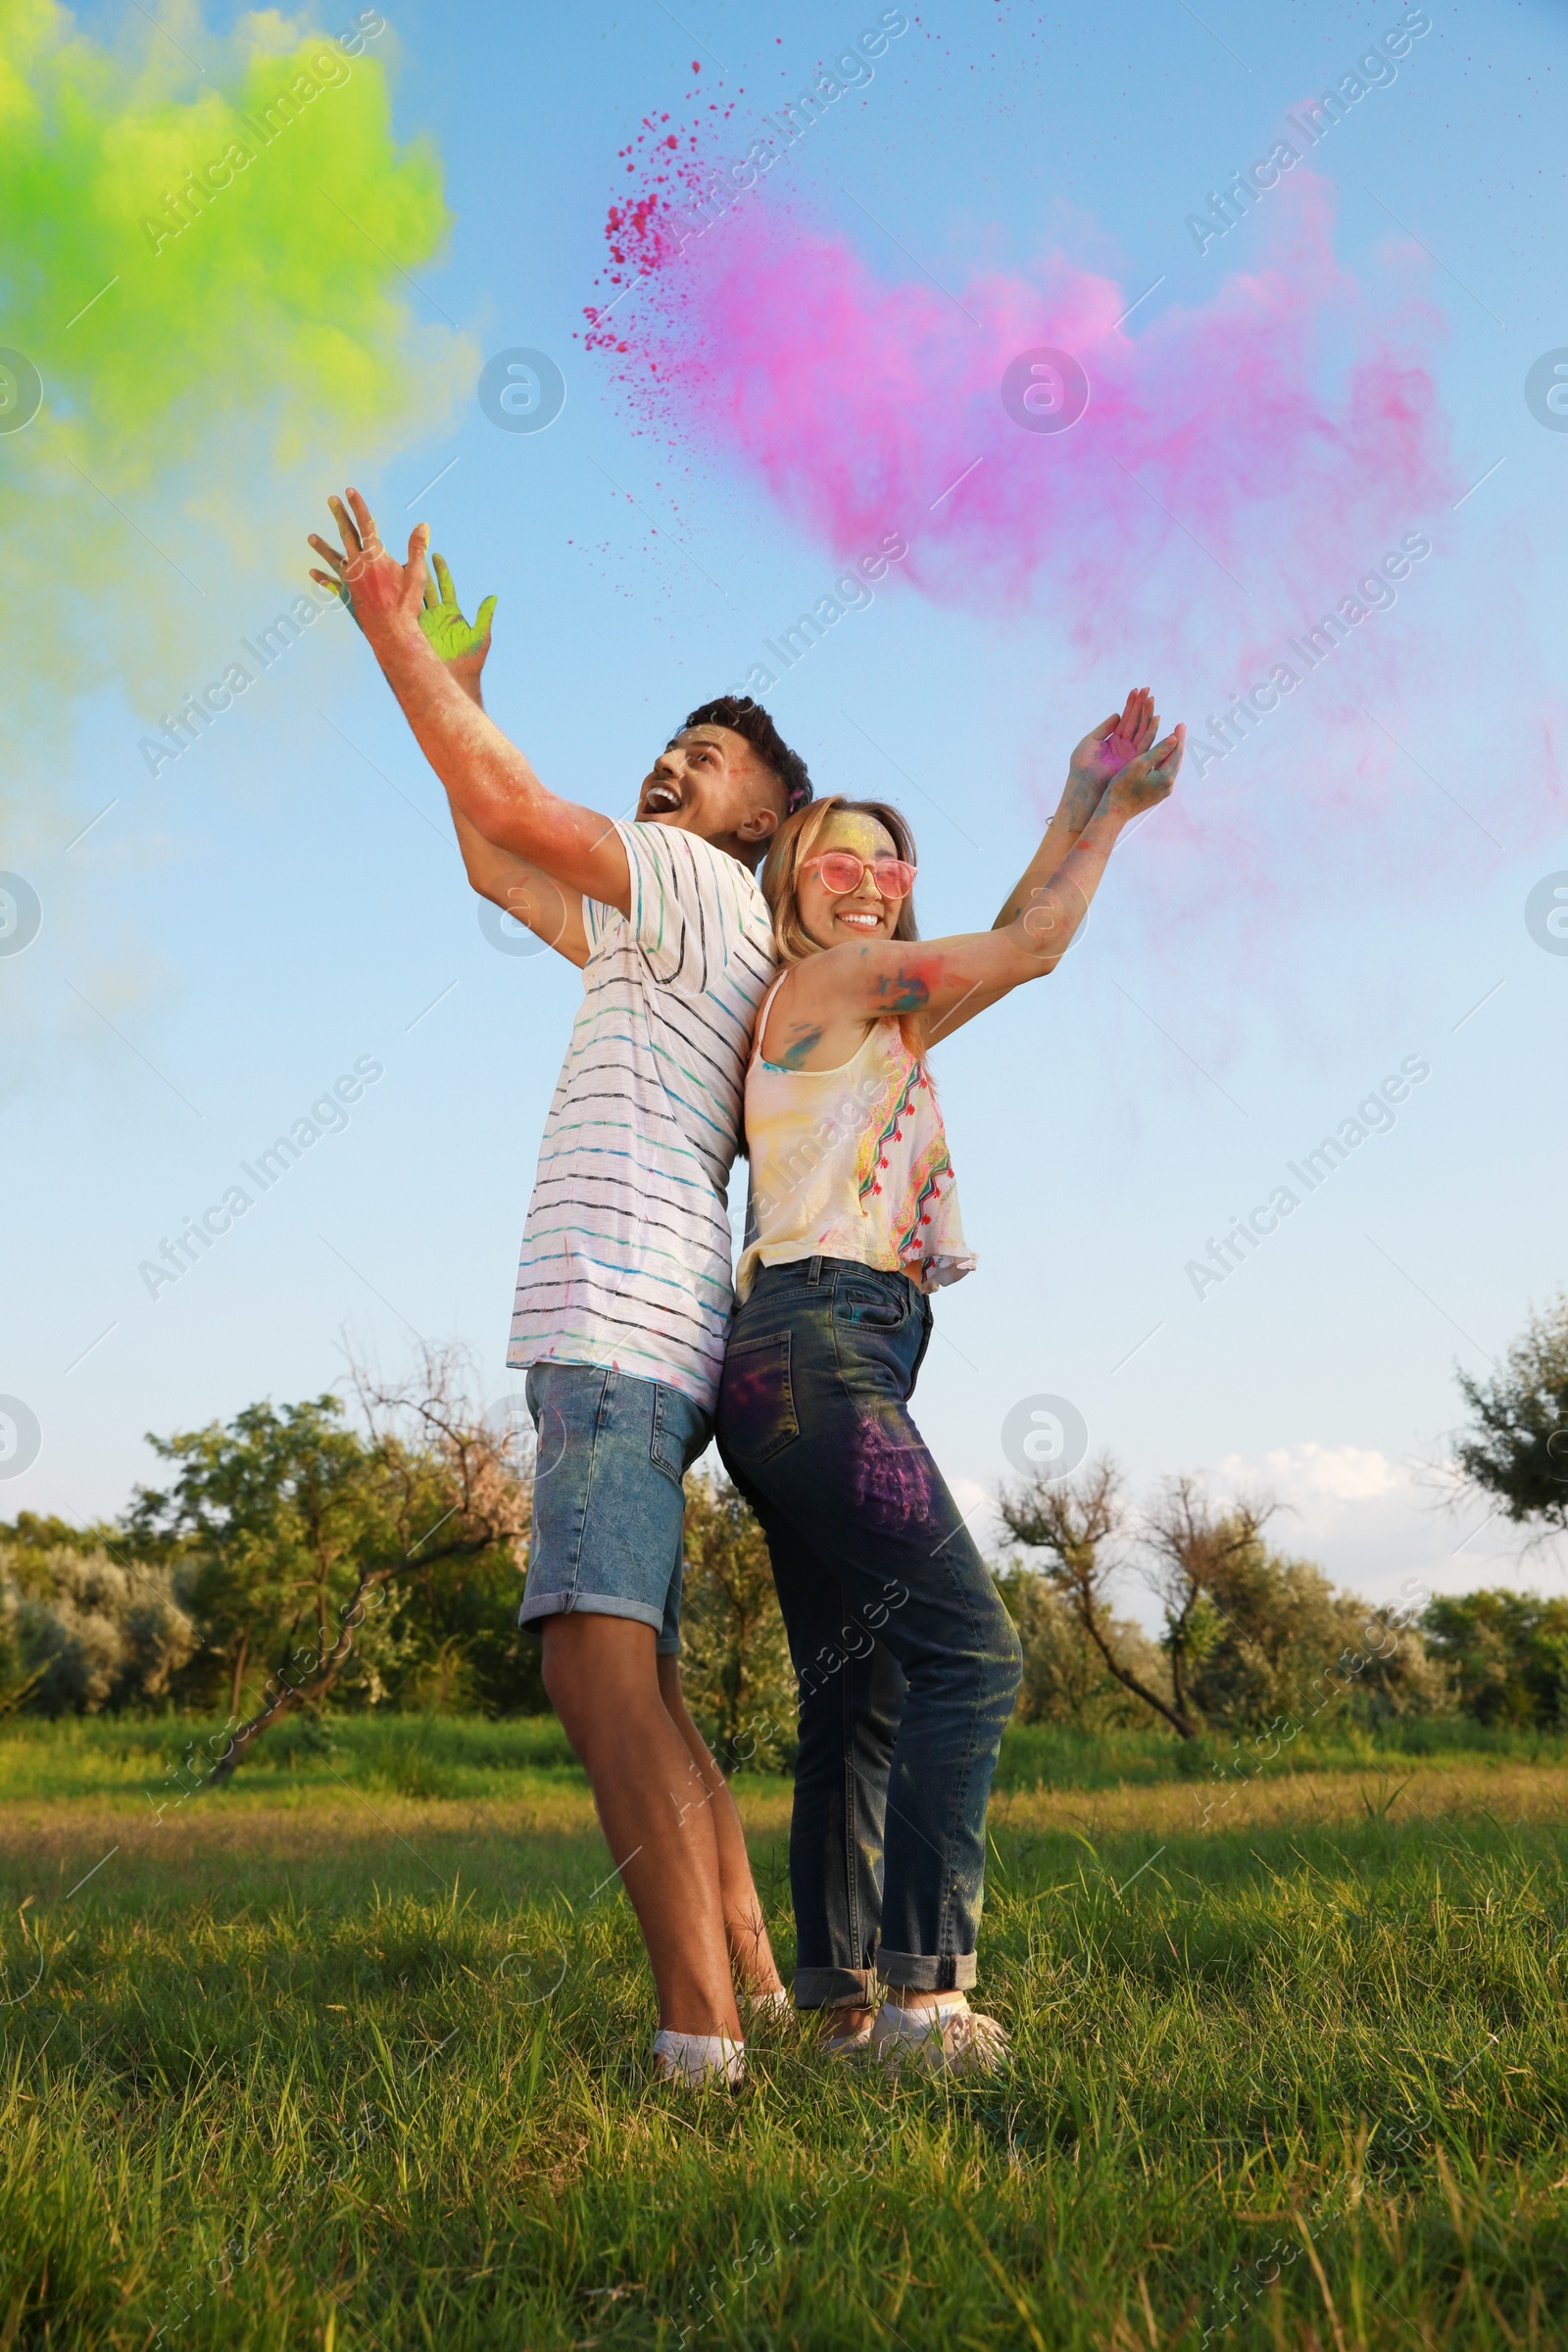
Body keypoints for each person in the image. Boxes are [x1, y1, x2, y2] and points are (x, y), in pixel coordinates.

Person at [306, 489, 810, 2086]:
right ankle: (758, 1999)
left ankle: (700, 2042)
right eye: (673, 742)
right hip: (649, 1331)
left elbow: (515, 808)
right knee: (643, 1678)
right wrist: (460, 689)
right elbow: (493, 842)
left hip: (617, 1321)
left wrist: (398, 642)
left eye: (711, 759)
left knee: (591, 1667)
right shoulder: (668, 927)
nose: (676, 761)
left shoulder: (695, 888)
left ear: (756, 827)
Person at [716, 692, 1184, 2074]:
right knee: (971, 1658)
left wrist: (1094, 800)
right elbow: (1033, 948)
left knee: (855, 1698)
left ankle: (843, 2013)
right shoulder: (837, 985)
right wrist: (1099, 827)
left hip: (790, 1368)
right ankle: (926, 2003)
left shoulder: (873, 1026)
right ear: (792, 884)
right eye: (837, 861)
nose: (870, 881)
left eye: (890, 862)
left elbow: (1003, 949)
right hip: (822, 1350)